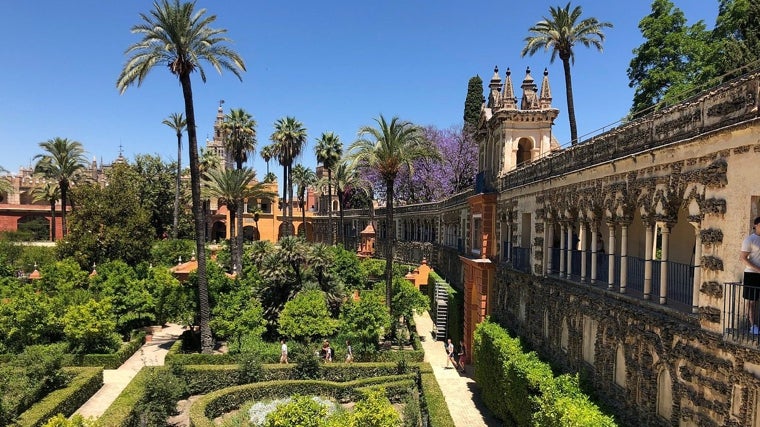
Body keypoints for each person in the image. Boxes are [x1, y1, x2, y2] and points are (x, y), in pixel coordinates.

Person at [741, 216, 760, 335]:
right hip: (752, 274)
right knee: (751, 302)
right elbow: (743, 258)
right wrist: (758, 270)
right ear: (755, 225)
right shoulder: (749, 240)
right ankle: (752, 325)